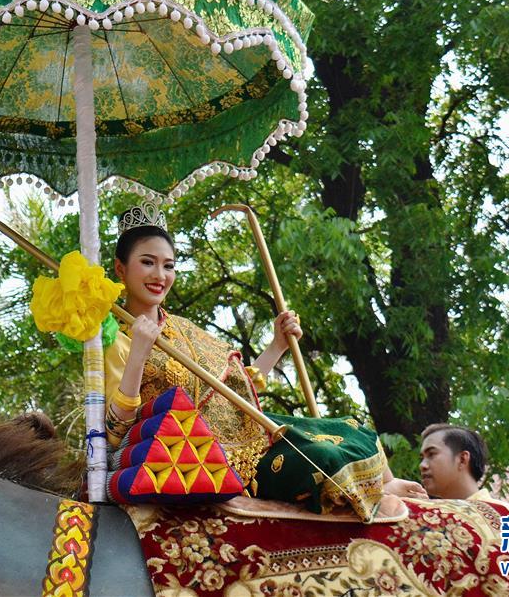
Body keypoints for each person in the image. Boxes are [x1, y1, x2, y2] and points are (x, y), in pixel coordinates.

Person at [104, 204, 426, 522]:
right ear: (121, 268)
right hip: (205, 456)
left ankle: (387, 481)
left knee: (346, 429)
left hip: (257, 433)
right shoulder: (114, 338)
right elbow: (115, 429)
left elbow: (237, 387)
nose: (160, 276)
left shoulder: (185, 328)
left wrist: (278, 345)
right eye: (147, 263)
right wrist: (138, 353)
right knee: (322, 457)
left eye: (168, 265)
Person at [420, 423, 509, 566]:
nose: (422, 465)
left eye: (432, 454)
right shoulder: (423, 521)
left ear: (463, 459)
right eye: (421, 458)